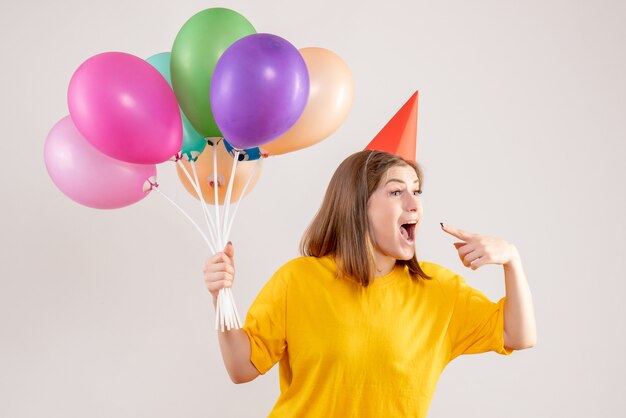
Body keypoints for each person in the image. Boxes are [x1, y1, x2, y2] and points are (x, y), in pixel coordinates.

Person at [203, 150, 536, 417]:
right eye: (396, 192)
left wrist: (512, 261)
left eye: (416, 191)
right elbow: (241, 367)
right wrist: (222, 297)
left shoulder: (440, 291)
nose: (414, 203)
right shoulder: (298, 279)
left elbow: (518, 335)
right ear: (358, 207)